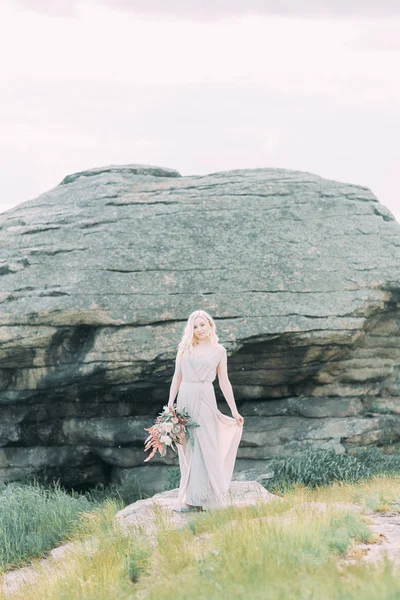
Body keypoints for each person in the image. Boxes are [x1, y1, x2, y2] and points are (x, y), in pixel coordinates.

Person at [167, 309, 244, 512]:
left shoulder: (219, 351)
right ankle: (191, 498)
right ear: (190, 329)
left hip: (205, 397)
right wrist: (170, 403)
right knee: (188, 447)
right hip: (185, 398)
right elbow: (177, 377)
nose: (199, 329)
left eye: (202, 324)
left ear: (210, 325)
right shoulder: (184, 348)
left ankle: (208, 498)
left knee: (206, 445)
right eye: (195, 326)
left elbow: (224, 381)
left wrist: (234, 411)